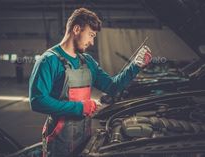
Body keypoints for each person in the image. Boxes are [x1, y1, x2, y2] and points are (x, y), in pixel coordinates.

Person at [29, 8, 152, 157]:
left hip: (85, 138)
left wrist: (135, 66)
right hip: (59, 141)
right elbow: (37, 101)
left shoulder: (87, 61)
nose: (92, 42)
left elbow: (112, 87)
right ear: (76, 29)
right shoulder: (49, 60)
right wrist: (80, 108)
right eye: (91, 35)